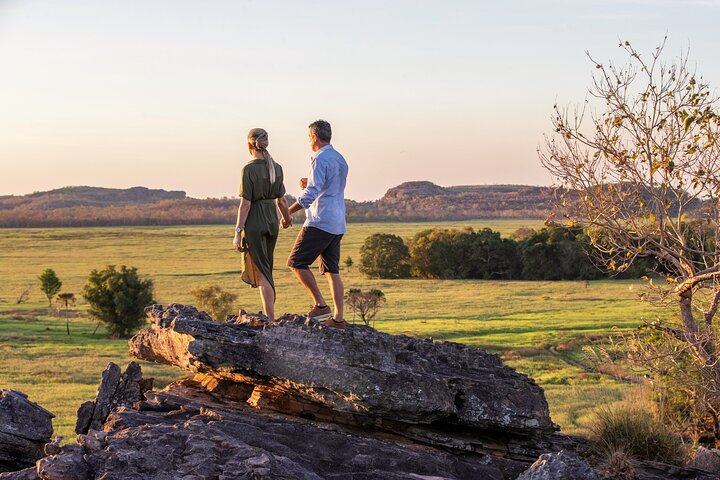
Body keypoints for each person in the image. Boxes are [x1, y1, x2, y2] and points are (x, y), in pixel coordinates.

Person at [287, 120, 349, 328]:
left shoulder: (320, 159)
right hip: (337, 221)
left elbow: (312, 193)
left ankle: (320, 305)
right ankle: (338, 319)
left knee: (296, 262)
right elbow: (327, 187)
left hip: (320, 220)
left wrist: (288, 211)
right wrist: (309, 185)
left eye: (308, 137)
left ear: (314, 137)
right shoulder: (340, 159)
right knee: (332, 269)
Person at [233, 128, 292, 322]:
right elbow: (282, 201)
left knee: (263, 271)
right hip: (272, 220)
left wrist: (238, 231)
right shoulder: (277, 167)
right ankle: (270, 314)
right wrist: (287, 219)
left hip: (256, 220)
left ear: (249, 145)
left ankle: (270, 318)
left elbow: (246, 204)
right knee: (267, 267)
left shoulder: (248, 170)